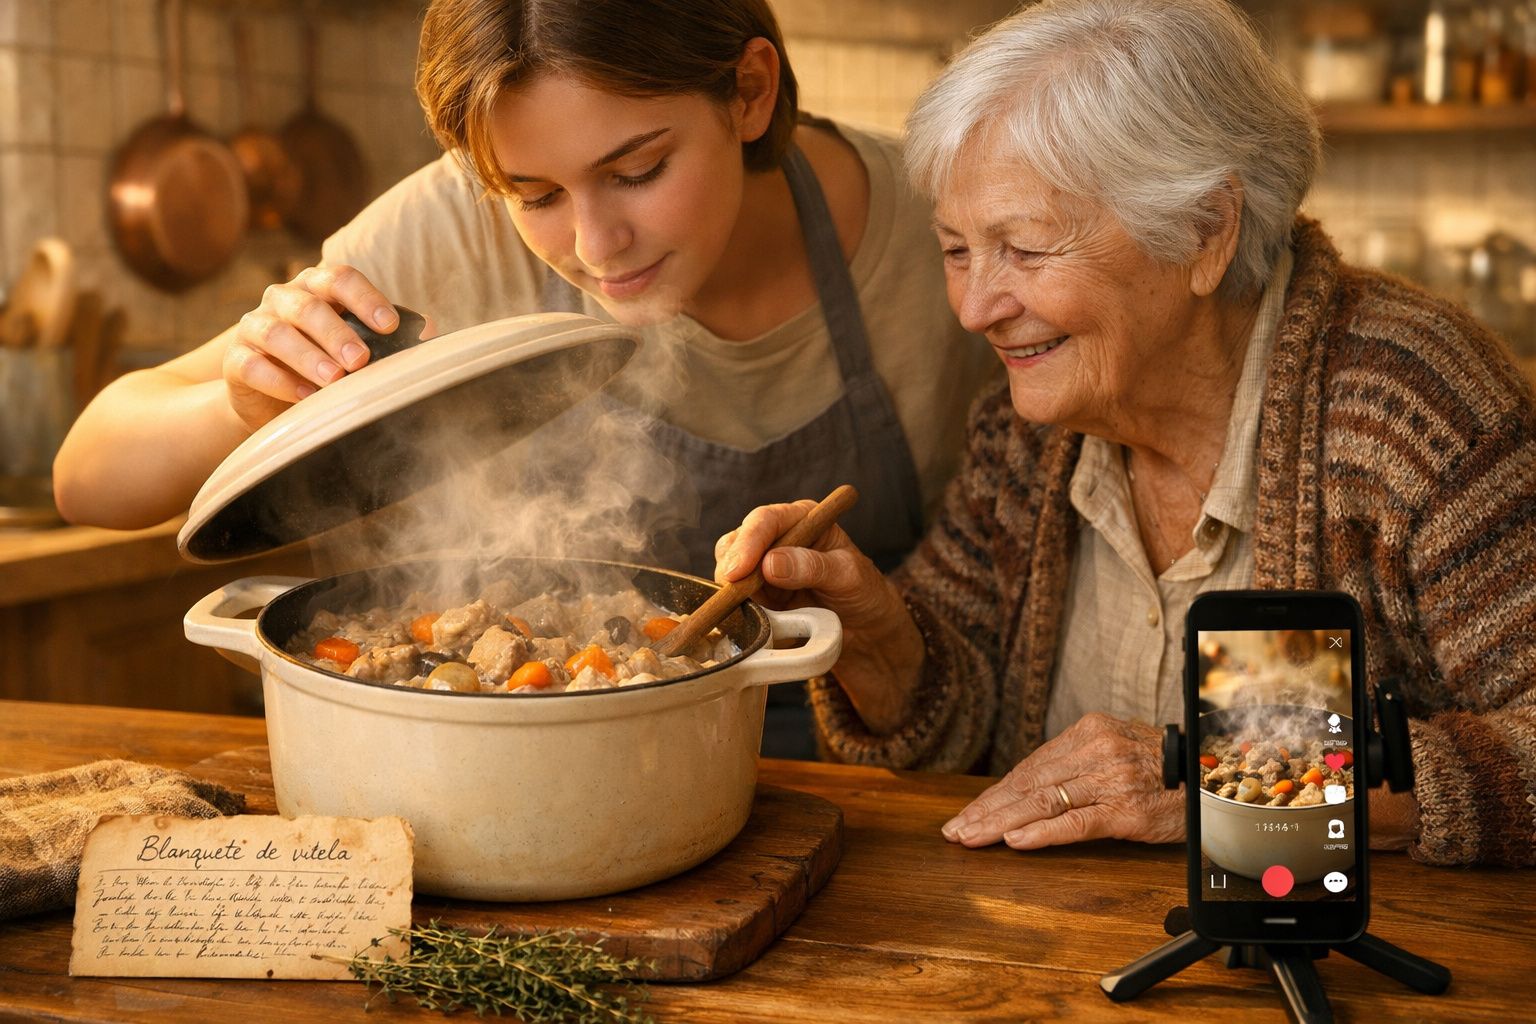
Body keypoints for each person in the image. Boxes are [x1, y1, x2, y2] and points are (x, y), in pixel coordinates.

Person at [52, 0, 997, 758]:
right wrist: (240, 400)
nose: (594, 245)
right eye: (535, 197)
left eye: (639, 169)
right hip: (494, 784)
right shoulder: (449, 230)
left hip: (876, 791)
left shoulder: (940, 233)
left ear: (750, 91)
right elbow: (88, 474)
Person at [714, 0, 1536, 866]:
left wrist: (1232, 780)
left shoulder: (1412, 409)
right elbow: (958, 726)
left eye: (1024, 250)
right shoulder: (1028, 429)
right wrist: (878, 635)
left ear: (1205, 233)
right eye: (956, 251)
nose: (974, 309)